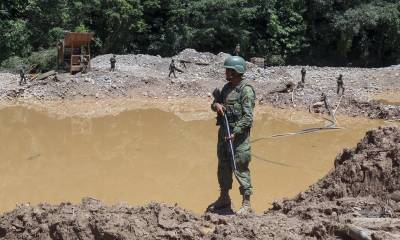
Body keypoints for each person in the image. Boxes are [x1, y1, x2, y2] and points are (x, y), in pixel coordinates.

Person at [208, 56, 256, 215]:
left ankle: (246, 203)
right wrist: (217, 105)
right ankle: (224, 198)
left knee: (240, 168)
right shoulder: (226, 88)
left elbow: (248, 118)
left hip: (239, 138)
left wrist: (235, 132)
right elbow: (214, 105)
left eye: (228, 70)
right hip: (224, 135)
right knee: (223, 167)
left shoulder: (246, 90)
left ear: (236, 72)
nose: (226, 72)